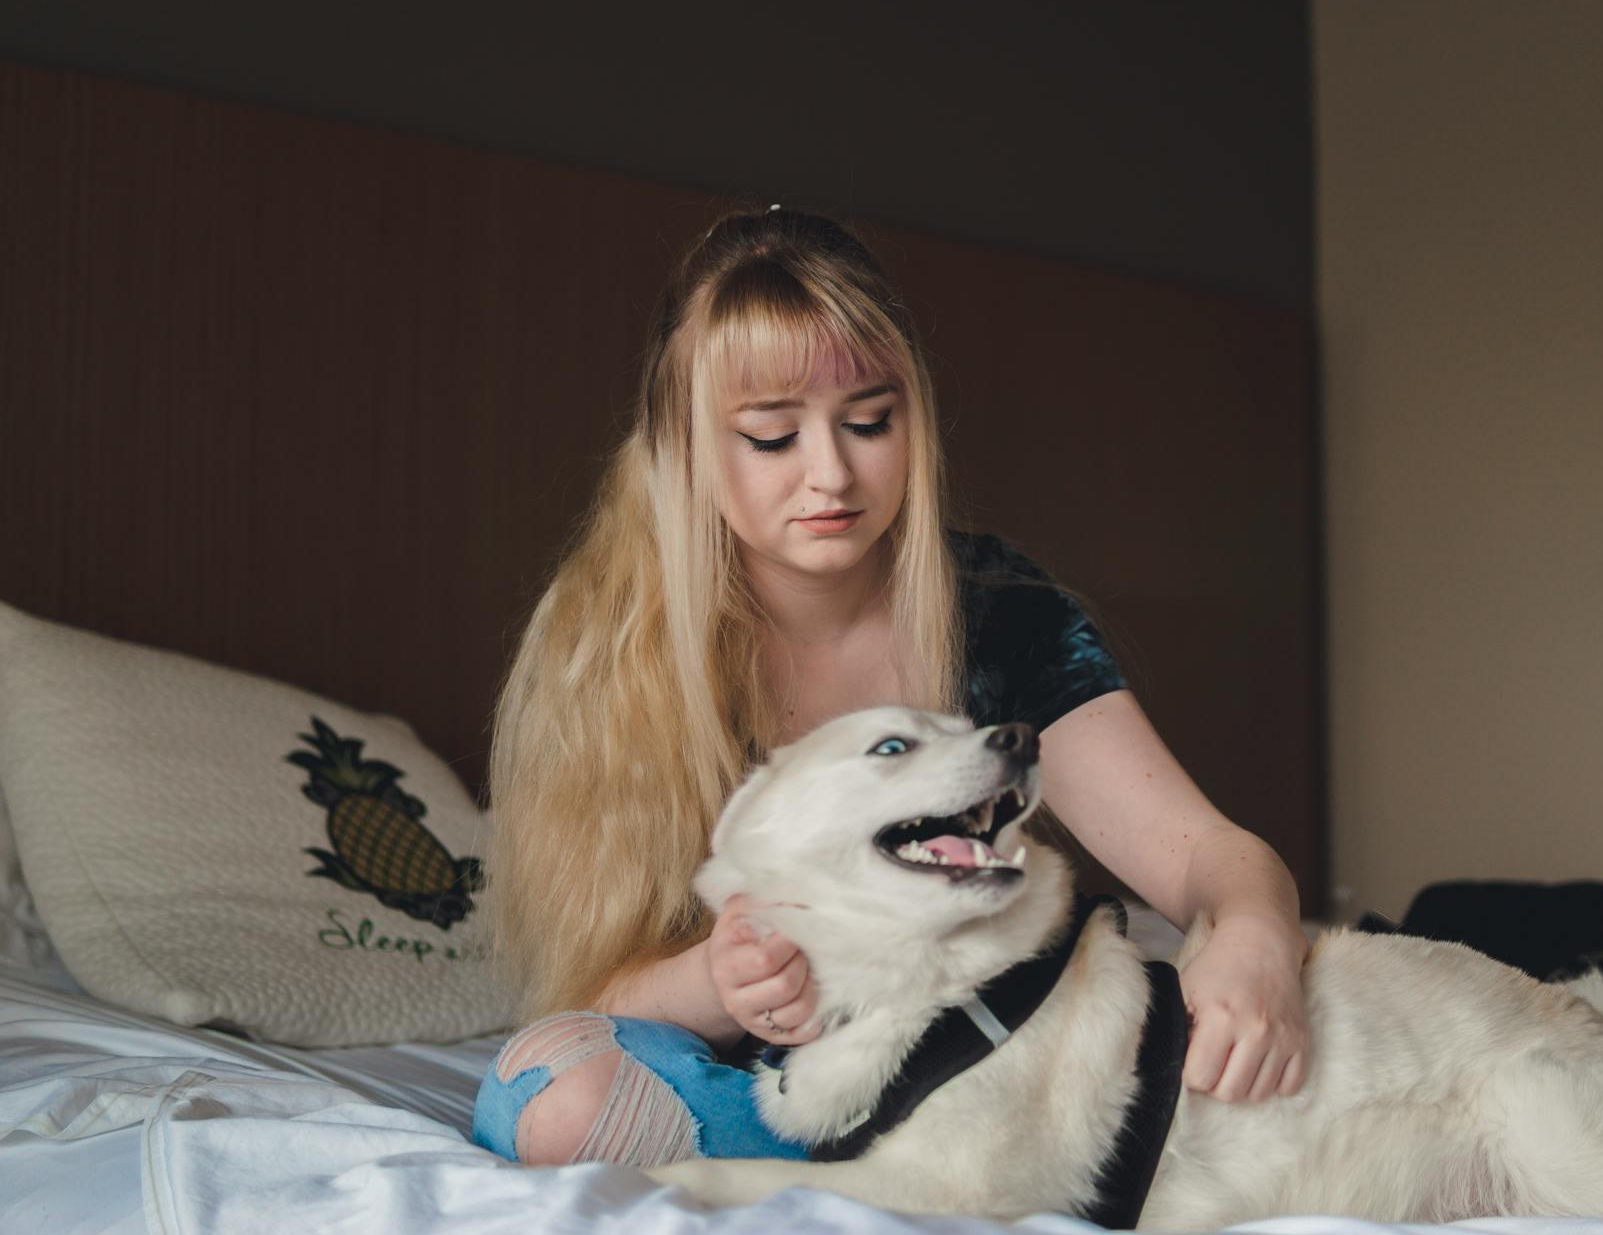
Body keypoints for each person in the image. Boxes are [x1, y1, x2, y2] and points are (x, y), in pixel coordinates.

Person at [471, 205, 1310, 1169]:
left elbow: (1205, 851)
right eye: (772, 437)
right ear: (683, 442)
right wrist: (718, 981)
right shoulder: (606, 651)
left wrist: (1254, 930)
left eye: (870, 421)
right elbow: (595, 1001)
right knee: (550, 1095)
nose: (831, 475)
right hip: (755, 1079)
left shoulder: (1003, 615)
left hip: (972, 1062)